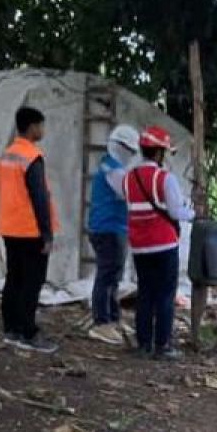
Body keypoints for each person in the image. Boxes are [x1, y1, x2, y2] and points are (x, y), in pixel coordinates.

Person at [122, 125, 195, 359]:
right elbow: (175, 212)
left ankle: (143, 344)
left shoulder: (128, 178)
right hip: (164, 245)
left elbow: (130, 208)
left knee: (145, 294)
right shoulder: (164, 178)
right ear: (158, 152)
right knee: (165, 296)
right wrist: (192, 213)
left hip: (139, 246)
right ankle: (163, 345)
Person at [0, 106, 59, 353]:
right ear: (32, 127)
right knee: (32, 281)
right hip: (30, 230)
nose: (42, 130)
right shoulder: (32, 156)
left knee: (14, 278)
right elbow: (39, 197)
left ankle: (10, 328)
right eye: (41, 125)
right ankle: (28, 331)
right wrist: (47, 233)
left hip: (9, 227)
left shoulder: (7, 155)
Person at [86, 125, 140, 346]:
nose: (129, 153)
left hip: (114, 227)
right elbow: (127, 192)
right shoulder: (113, 169)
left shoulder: (114, 166)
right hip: (107, 228)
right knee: (107, 276)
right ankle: (101, 323)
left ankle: (113, 317)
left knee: (114, 277)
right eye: (127, 148)